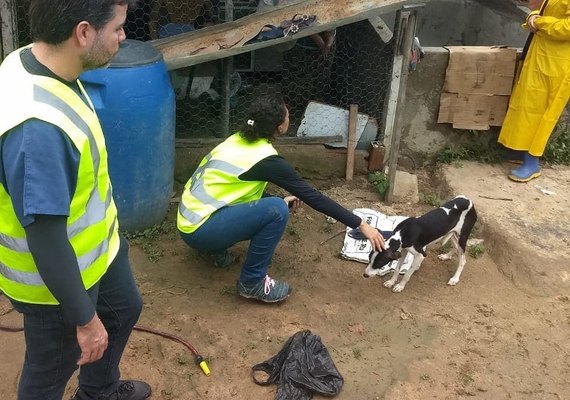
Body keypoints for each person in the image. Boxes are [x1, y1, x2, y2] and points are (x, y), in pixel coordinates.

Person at [0, 1, 151, 399]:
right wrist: (84, 319)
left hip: (97, 251)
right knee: (50, 372)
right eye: (117, 28)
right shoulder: (39, 132)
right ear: (83, 33)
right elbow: (46, 239)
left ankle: (98, 391)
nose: (123, 36)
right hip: (55, 286)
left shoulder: (37, 60)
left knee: (122, 310)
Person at [177, 93, 385, 303]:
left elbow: (235, 191)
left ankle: (213, 250)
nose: (289, 114)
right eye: (286, 115)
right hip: (201, 230)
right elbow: (314, 197)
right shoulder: (266, 158)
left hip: (190, 221)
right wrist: (360, 224)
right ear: (280, 128)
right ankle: (252, 282)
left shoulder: (238, 139)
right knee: (276, 211)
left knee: (274, 203)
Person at [497, 0, 569, 182]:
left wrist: (539, 22)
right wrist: (531, 18)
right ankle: (520, 149)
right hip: (540, 54)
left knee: (545, 113)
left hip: (560, 63)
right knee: (527, 105)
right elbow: (539, 9)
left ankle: (532, 161)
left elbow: (567, 27)